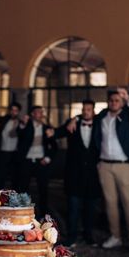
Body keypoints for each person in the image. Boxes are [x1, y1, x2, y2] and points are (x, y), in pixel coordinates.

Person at [94, 88, 129, 254]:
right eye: (111, 100)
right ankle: (115, 236)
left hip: (125, 165)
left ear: (121, 102)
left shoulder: (128, 116)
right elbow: (87, 118)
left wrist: (128, 99)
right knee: (110, 203)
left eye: (117, 100)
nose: (114, 103)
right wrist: (75, 119)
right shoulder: (102, 116)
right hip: (105, 165)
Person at [55, 99, 101, 247]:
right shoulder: (72, 123)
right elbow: (58, 133)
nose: (86, 111)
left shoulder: (100, 123)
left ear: (93, 111)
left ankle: (89, 236)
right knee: (73, 208)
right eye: (84, 109)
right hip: (74, 174)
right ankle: (72, 237)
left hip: (93, 175)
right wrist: (72, 120)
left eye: (89, 109)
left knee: (90, 208)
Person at [17, 106, 57, 217]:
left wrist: (48, 158)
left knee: (43, 188)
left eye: (41, 112)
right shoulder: (27, 126)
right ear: (33, 114)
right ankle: (23, 213)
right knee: (24, 188)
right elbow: (19, 134)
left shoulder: (46, 128)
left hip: (41, 161)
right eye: (37, 112)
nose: (40, 114)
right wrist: (23, 124)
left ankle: (43, 215)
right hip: (27, 160)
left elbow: (54, 147)